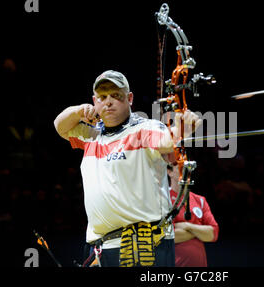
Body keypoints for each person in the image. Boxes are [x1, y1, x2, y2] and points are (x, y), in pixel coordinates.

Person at [53, 70, 201, 267]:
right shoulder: (91, 135)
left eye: (116, 96)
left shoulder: (145, 128)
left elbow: (167, 142)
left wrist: (184, 128)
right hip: (101, 248)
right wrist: (80, 111)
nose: (108, 102)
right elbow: (59, 126)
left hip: (145, 246)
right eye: (102, 97)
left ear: (129, 98)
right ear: (94, 101)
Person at [167, 164, 219, 267]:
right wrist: (200, 232)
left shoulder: (200, 200)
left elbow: (213, 233)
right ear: (170, 172)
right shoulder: (163, 199)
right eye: (181, 168)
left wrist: (188, 226)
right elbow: (167, 236)